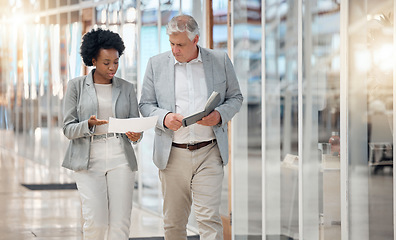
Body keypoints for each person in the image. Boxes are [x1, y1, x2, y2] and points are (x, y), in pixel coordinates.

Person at [139, 14, 243, 240]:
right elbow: (145, 104)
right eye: (172, 44)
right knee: (174, 224)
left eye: (181, 45)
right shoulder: (156, 64)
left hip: (209, 151)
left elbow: (235, 97)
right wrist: (165, 117)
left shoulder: (220, 60)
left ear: (196, 40)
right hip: (173, 154)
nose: (175, 50)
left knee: (209, 220)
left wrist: (219, 115)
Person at [62, 28, 141, 240]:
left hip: (120, 156)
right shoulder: (76, 87)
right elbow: (67, 128)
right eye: (106, 62)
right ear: (93, 60)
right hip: (88, 157)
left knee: (120, 223)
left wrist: (136, 134)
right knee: (95, 222)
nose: (112, 67)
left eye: (116, 61)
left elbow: (135, 124)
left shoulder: (127, 88)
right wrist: (87, 124)